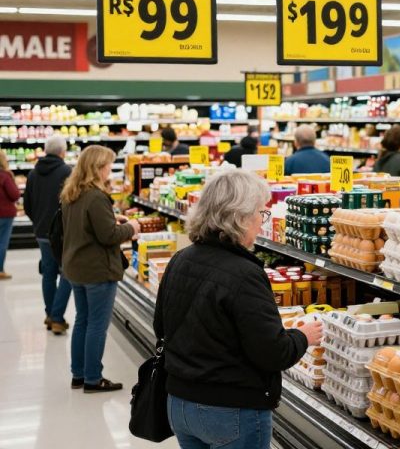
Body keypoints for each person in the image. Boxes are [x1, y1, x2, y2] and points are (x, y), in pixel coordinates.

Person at [154, 170, 322, 449]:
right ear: (240, 217)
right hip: (230, 410)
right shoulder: (244, 274)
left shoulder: (180, 259)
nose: (261, 221)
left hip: (179, 404)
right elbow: (273, 352)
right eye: (260, 213)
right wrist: (303, 335)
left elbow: (161, 327)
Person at [61, 145, 140, 393]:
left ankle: (79, 375)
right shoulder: (96, 196)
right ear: (97, 168)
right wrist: (133, 227)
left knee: (82, 321)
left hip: (76, 265)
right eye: (108, 165)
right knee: (97, 325)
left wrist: (111, 219)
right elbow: (108, 236)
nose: (109, 170)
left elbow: (86, 226)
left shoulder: (72, 192)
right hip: (97, 269)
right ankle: (93, 379)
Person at [23, 136, 73, 334]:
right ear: (62, 152)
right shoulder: (67, 172)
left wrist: (38, 221)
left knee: (48, 273)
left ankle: (49, 313)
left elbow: (27, 204)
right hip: (61, 233)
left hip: (42, 232)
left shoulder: (33, 173)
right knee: (68, 274)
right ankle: (57, 317)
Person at [0, 149, 20, 280]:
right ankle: (0, 270)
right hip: (5, 214)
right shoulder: (4, 176)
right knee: (2, 243)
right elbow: (15, 194)